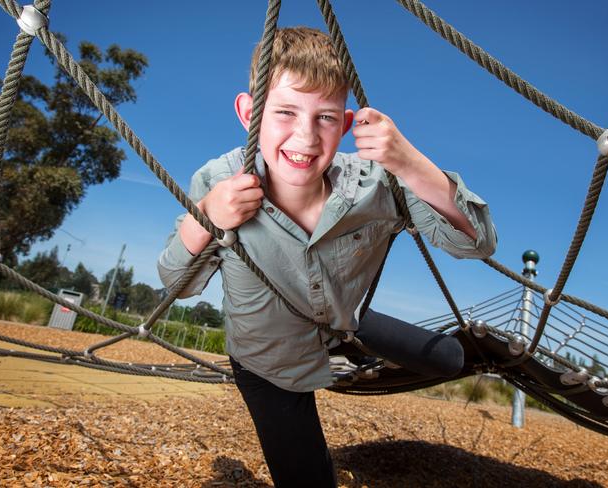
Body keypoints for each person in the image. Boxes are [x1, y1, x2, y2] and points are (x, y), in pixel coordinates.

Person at [158, 26, 497, 488]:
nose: (305, 137)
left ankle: (346, 339)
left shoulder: (376, 183)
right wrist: (206, 217)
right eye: (284, 112)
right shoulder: (218, 180)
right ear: (248, 112)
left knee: (452, 358)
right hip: (268, 358)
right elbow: (175, 284)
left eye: (325, 118)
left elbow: (475, 242)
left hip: (344, 319)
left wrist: (410, 163)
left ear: (347, 122)